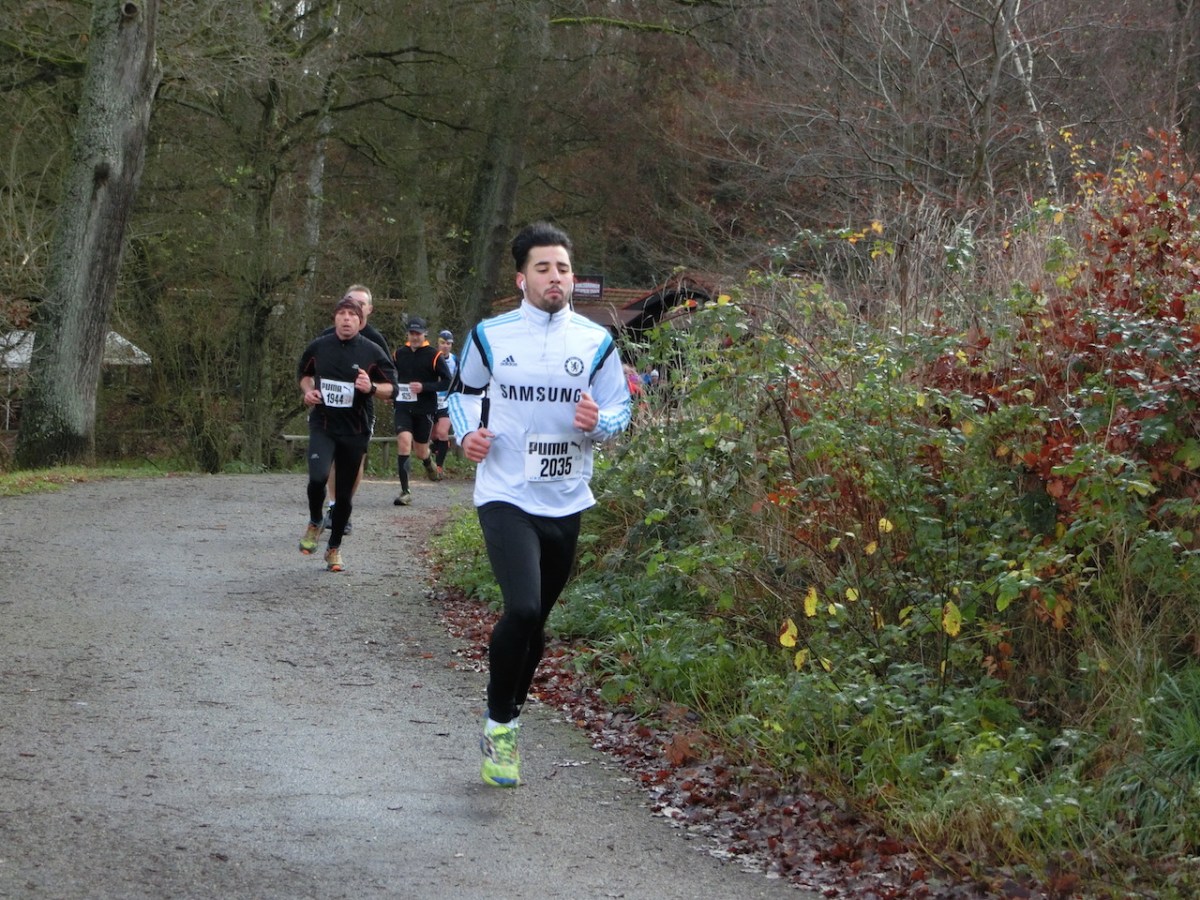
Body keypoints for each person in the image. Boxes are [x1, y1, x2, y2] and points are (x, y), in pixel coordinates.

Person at [448, 221, 632, 787]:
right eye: (543, 268)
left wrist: (599, 422)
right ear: (521, 279)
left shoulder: (596, 341)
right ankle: (499, 726)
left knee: (537, 627)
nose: (556, 277)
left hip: (566, 497)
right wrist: (466, 435)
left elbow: (620, 411)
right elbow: (461, 394)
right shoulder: (490, 335)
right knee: (523, 609)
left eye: (563, 268)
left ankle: (511, 712)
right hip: (505, 493)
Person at [297, 296, 397, 571]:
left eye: (352, 315)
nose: (346, 319)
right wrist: (309, 392)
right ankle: (315, 520)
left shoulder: (372, 351)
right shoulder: (319, 346)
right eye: (341, 313)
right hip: (324, 425)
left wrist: (372, 388)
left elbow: (393, 388)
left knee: (343, 496)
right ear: (334, 318)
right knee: (317, 477)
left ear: (361, 321)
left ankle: (334, 548)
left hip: (354, 431)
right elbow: (303, 375)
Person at [320, 285, 391, 535]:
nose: (354, 308)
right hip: (329, 407)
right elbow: (310, 367)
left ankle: (344, 508)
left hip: (360, 410)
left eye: (361, 304)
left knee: (353, 460)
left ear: (369, 309)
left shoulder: (375, 340)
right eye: (350, 302)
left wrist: (375, 388)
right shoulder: (328, 336)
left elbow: (389, 380)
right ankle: (333, 506)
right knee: (331, 458)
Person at [391, 316, 452, 506]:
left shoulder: (434, 355)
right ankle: (405, 491)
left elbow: (447, 381)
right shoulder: (398, 354)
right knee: (404, 442)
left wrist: (424, 387)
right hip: (402, 407)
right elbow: (389, 375)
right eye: (412, 333)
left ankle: (427, 462)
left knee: (420, 451)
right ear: (407, 334)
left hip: (424, 409)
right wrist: (390, 391)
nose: (415, 337)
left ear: (425, 334)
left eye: (418, 333)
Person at [429, 329, 459, 478]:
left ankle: (439, 467)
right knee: (433, 435)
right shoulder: (431, 358)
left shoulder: (455, 360)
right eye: (442, 343)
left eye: (448, 343)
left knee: (442, 432)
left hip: (447, 401)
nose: (445, 346)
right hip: (432, 400)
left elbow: (461, 379)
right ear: (438, 343)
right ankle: (438, 452)